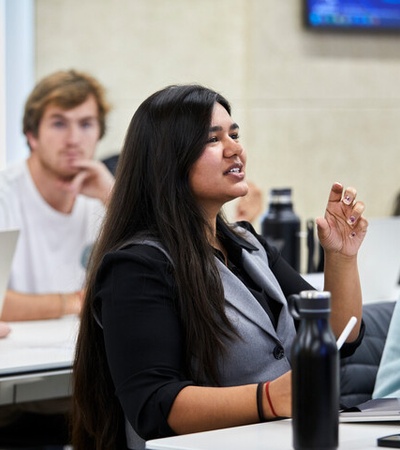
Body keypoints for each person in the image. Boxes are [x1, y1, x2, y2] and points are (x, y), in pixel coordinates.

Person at [72, 84, 367, 450]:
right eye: (213, 140)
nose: (235, 148)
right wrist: (270, 398)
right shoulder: (137, 267)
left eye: (235, 134)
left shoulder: (248, 244)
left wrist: (341, 256)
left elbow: (340, 337)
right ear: (168, 159)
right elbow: (153, 404)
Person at [0, 69, 114, 322]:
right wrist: (76, 301)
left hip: (81, 353)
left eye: (86, 124)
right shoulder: (5, 195)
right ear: (32, 135)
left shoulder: (105, 192)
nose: (73, 139)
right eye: (59, 123)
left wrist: (113, 196)